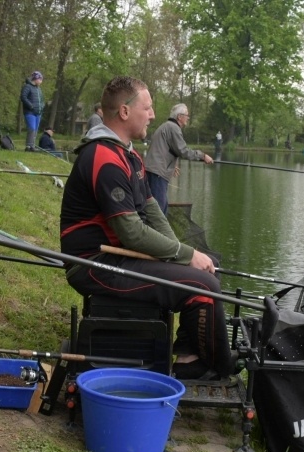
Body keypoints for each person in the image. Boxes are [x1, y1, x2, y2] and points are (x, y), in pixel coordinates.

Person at [59, 76, 233, 381]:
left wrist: (182, 254)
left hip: (120, 257)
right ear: (125, 112)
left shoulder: (128, 154)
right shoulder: (104, 157)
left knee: (209, 267)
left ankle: (189, 353)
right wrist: (184, 255)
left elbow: (152, 210)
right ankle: (219, 368)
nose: (153, 114)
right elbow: (132, 233)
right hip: (94, 265)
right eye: (148, 107)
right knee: (205, 288)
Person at [144, 103, 214, 215]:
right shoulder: (173, 128)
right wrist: (203, 156)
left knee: (162, 208)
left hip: (155, 171)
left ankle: (158, 232)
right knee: (159, 212)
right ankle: (156, 232)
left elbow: (165, 149)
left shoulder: (167, 126)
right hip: (157, 173)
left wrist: (172, 166)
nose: (188, 118)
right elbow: (183, 151)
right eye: (186, 115)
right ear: (179, 117)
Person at [20, 71, 44, 151]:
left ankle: (32, 146)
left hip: (38, 112)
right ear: (36, 79)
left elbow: (42, 100)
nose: (41, 81)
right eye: (40, 79)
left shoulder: (39, 89)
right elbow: (23, 97)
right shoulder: (27, 86)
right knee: (32, 128)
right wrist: (31, 106)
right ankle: (28, 146)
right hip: (30, 112)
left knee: (36, 129)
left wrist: (42, 106)